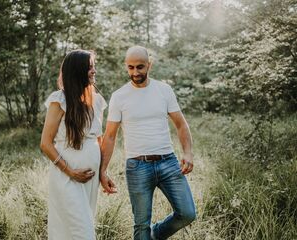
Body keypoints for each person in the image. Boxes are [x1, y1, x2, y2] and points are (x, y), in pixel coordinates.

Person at [100, 46, 196, 240]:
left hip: (167, 161)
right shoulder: (119, 96)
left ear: (149, 65)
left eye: (140, 67)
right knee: (141, 225)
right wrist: (103, 170)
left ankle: (154, 235)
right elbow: (109, 136)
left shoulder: (163, 90)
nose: (135, 72)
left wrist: (188, 152)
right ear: (126, 67)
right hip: (137, 166)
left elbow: (181, 124)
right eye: (131, 68)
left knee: (187, 213)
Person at [40, 49, 106, 240]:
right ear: (77, 70)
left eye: (94, 66)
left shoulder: (98, 100)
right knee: (83, 233)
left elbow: (99, 139)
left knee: (74, 230)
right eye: (90, 67)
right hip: (66, 178)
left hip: (90, 179)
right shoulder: (59, 100)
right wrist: (70, 172)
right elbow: (45, 143)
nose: (94, 71)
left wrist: (103, 172)